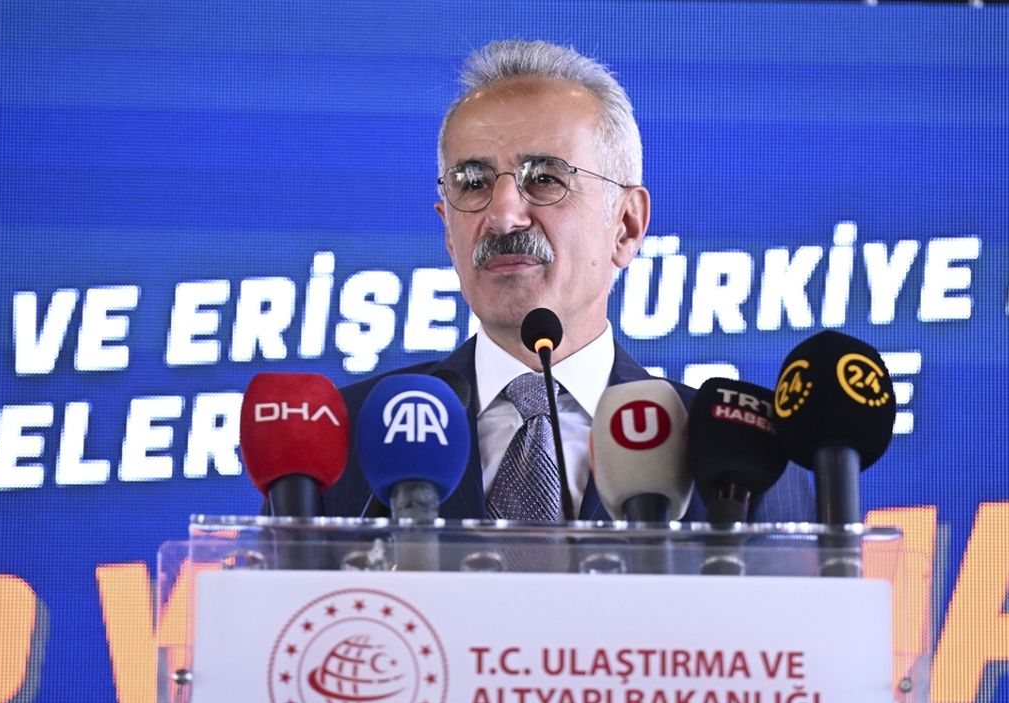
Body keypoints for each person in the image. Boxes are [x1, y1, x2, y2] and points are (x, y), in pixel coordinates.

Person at [321, 39, 813, 522]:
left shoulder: (745, 454)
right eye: (472, 183)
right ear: (448, 232)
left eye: (544, 179)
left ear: (626, 226)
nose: (503, 216)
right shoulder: (346, 437)